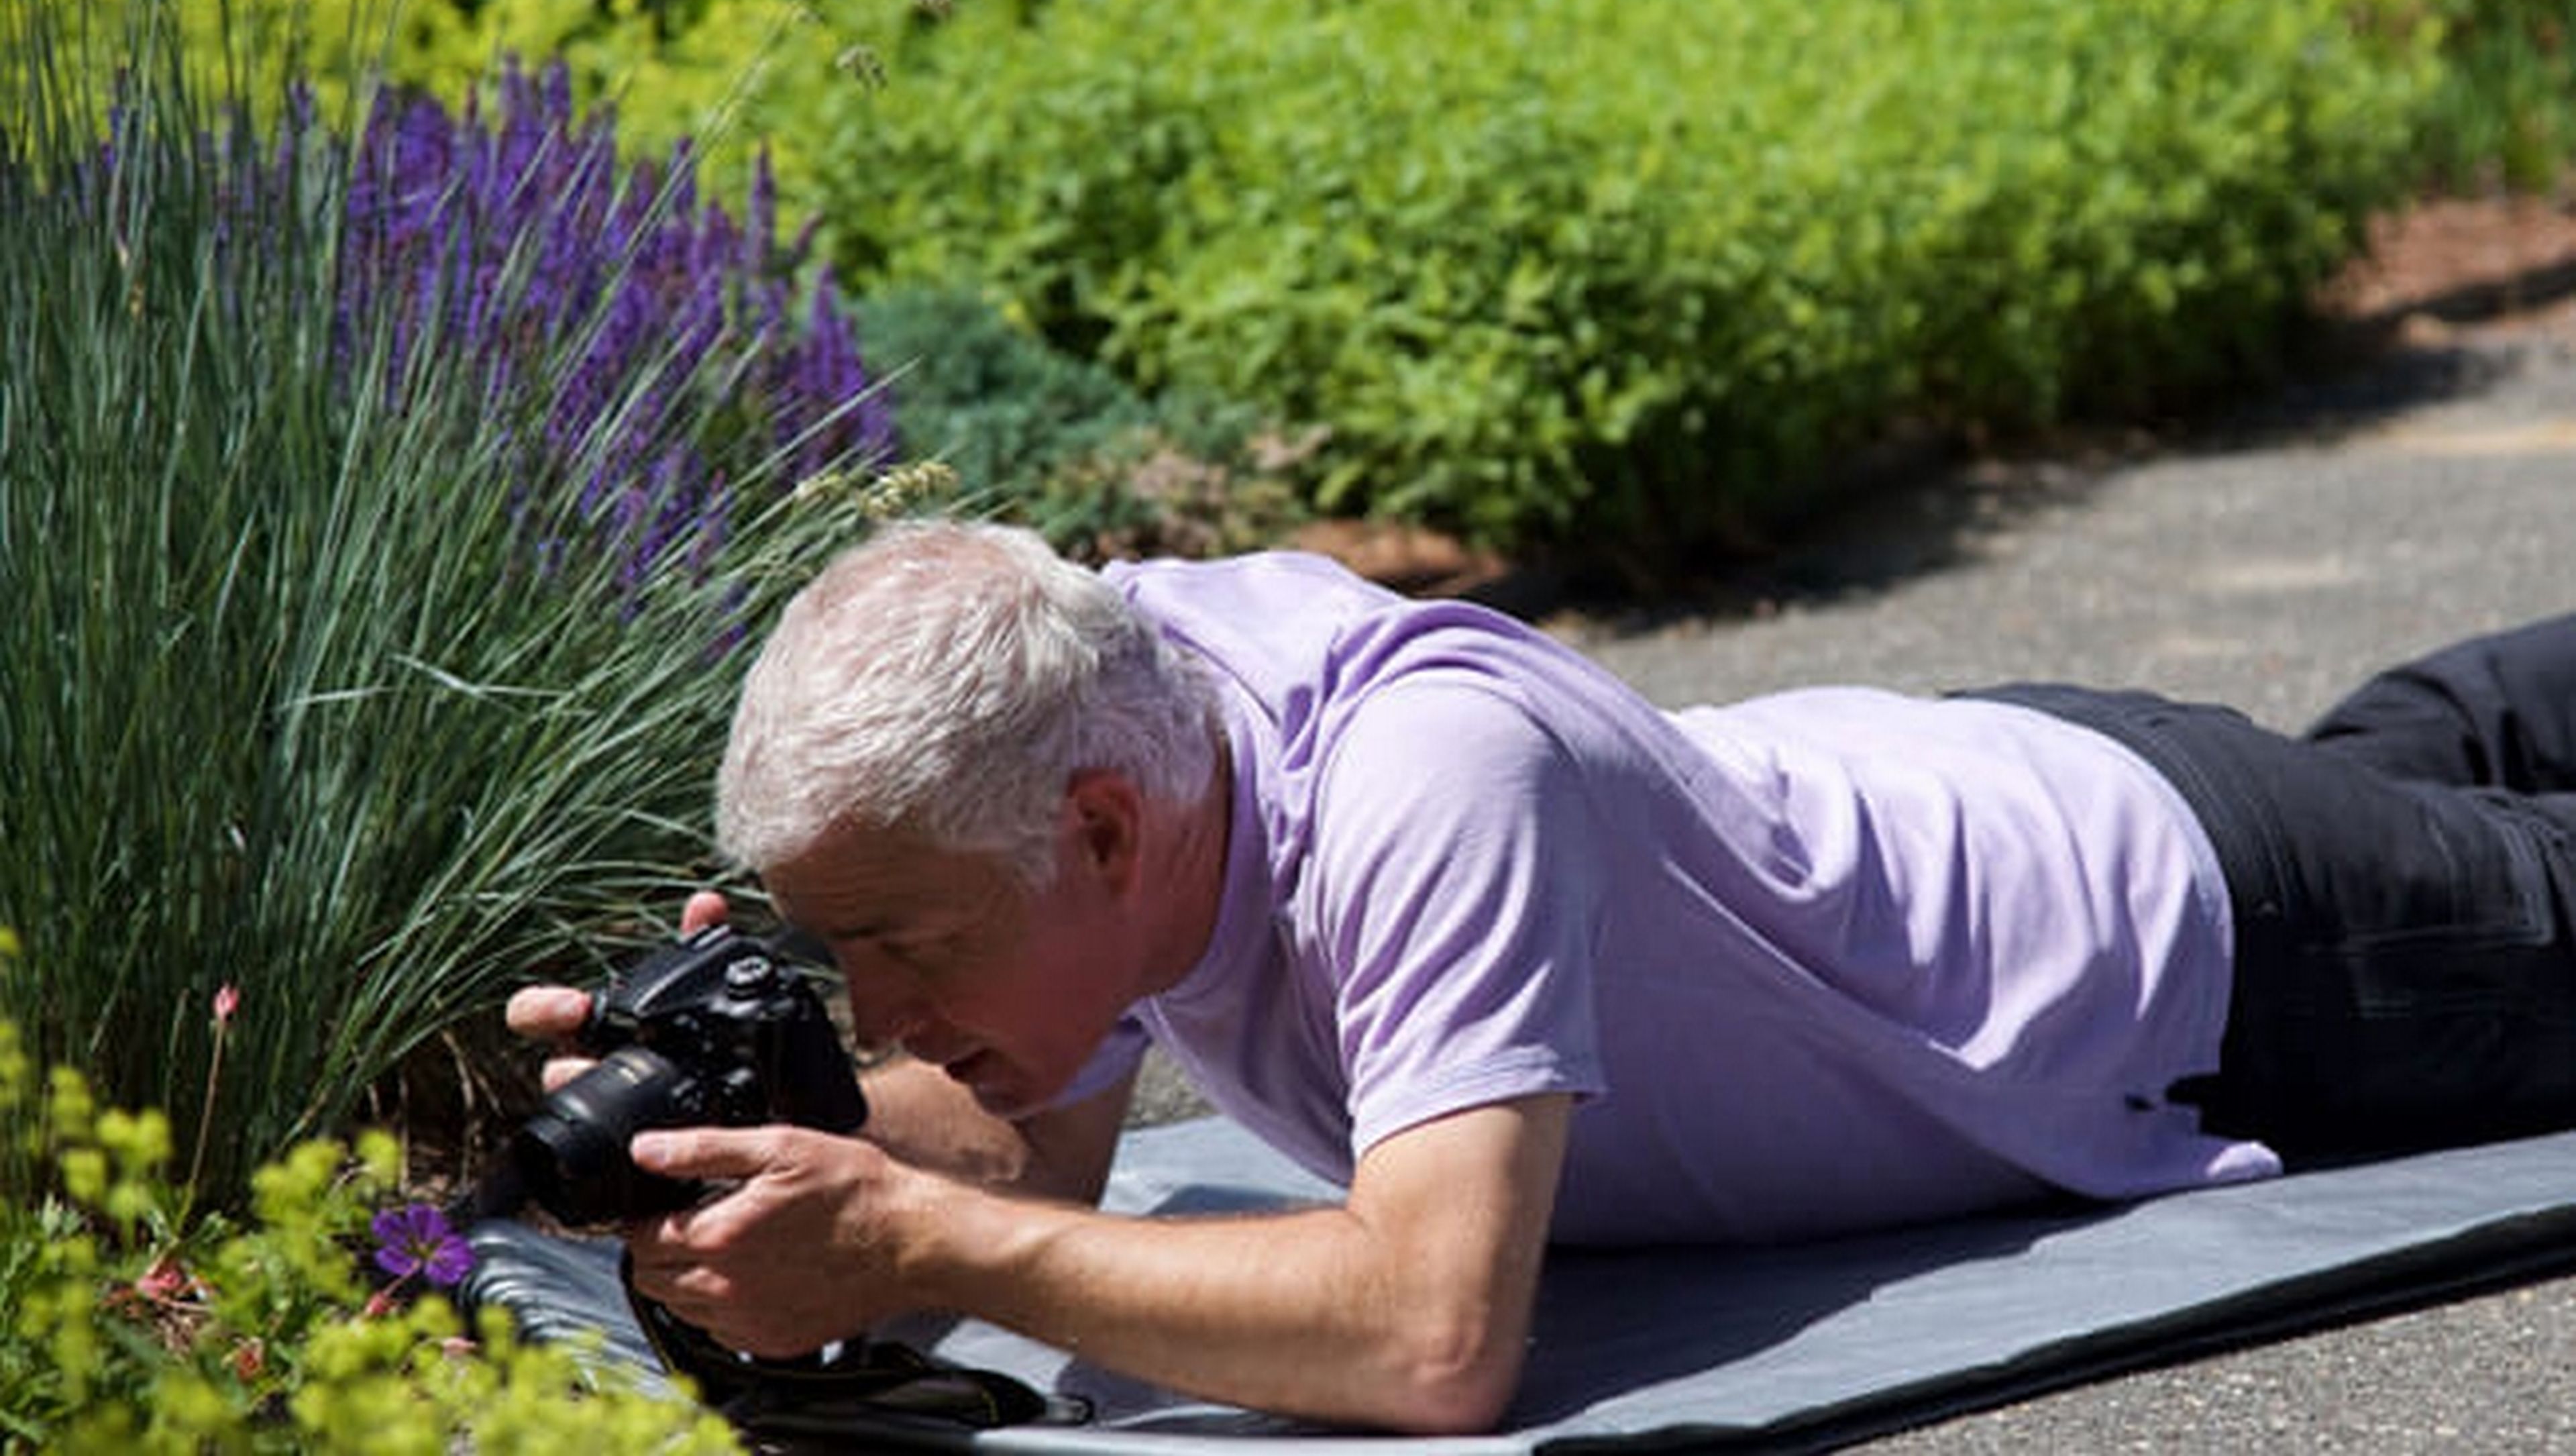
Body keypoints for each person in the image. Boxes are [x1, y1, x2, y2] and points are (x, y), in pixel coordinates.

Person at [507, 517, 2576, 1435]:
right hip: (1978, 772)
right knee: (2430, 751)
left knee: (2478, 860)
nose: (876, 1008)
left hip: (2230, 938)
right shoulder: (1094, 711)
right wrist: (752, 1113)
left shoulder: (1422, 775)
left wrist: (913, 1245)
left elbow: (1428, 1342)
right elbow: (1016, 1158)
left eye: (894, 950)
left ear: (1105, 843)